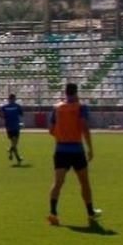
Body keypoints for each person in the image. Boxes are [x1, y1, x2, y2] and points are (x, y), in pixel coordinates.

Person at [47, 83, 101, 226]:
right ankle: (90, 214)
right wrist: (90, 147)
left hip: (60, 150)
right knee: (84, 183)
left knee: (57, 183)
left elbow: (51, 129)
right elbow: (84, 126)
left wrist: (62, 135)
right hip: (76, 149)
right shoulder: (80, 107)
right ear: (76, 92)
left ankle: (53, 213)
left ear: (65, 92)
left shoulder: (56, 108)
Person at [0, 93, 24, 165]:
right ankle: (17, 157)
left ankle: (12, 152)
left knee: (13, 143)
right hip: (15, 126)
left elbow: (0, 115)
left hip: (9, 126)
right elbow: (22, 114)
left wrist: (6, 117)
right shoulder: (17, 106)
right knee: (15, 143)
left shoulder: (4, 107)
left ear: (8, 99)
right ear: (14, 99)